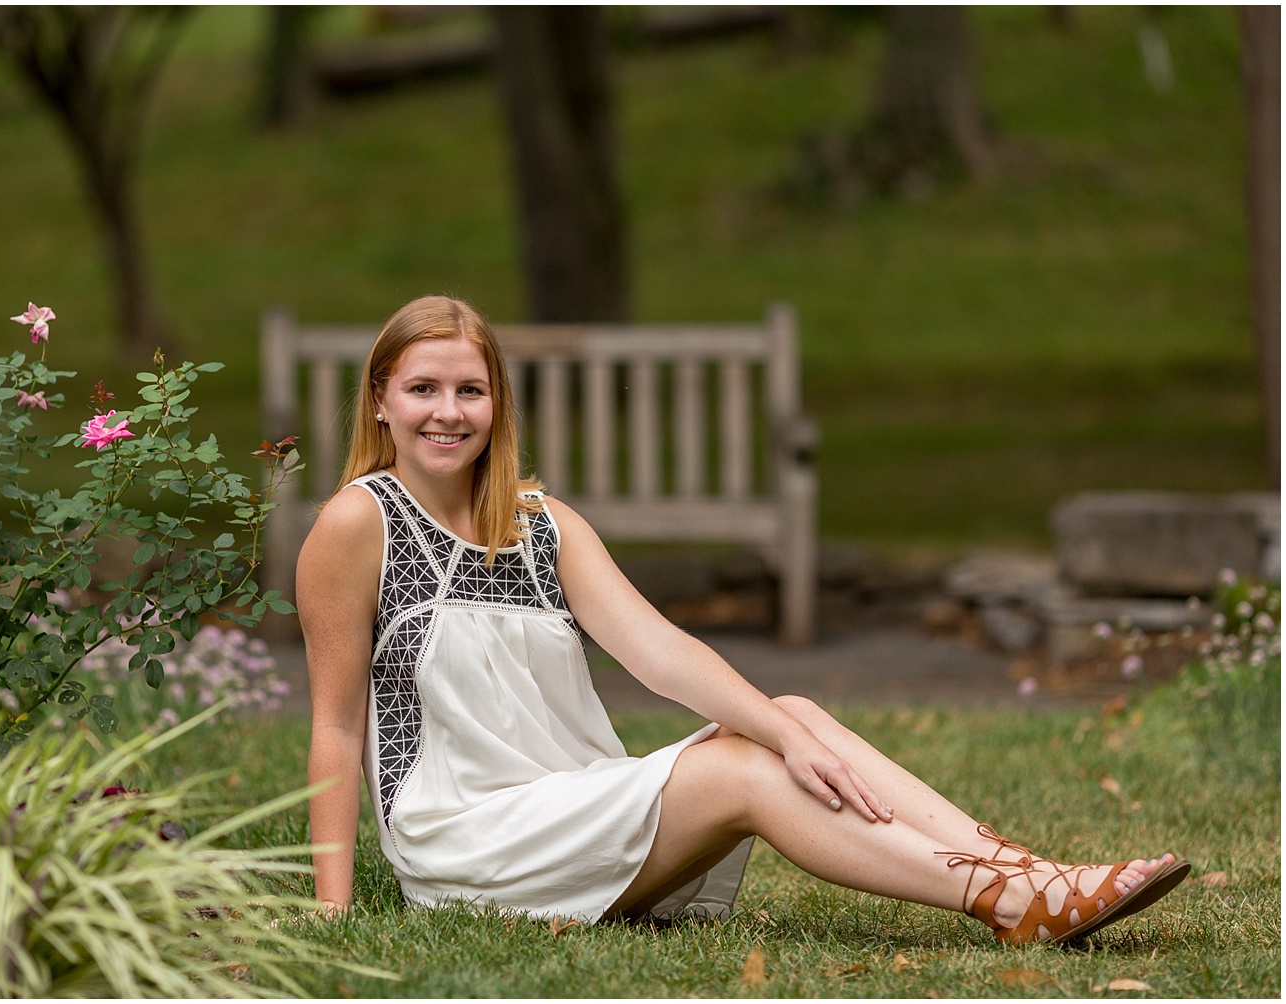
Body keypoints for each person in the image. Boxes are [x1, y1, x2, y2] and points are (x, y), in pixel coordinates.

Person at [299, 294, 1189, 944]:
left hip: (569, 807)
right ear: (380, 400)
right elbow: (337, 728)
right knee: (742, 772)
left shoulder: (543, 525)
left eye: (470, 391)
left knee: (790, 714)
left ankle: (1034, 877)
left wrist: (783, 729)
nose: (448, 413)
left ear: (499, 406)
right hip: (466, 841)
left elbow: (659, 651)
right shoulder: (356, 525)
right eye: (423, 389)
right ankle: (1004, 901)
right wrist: (334, 912)